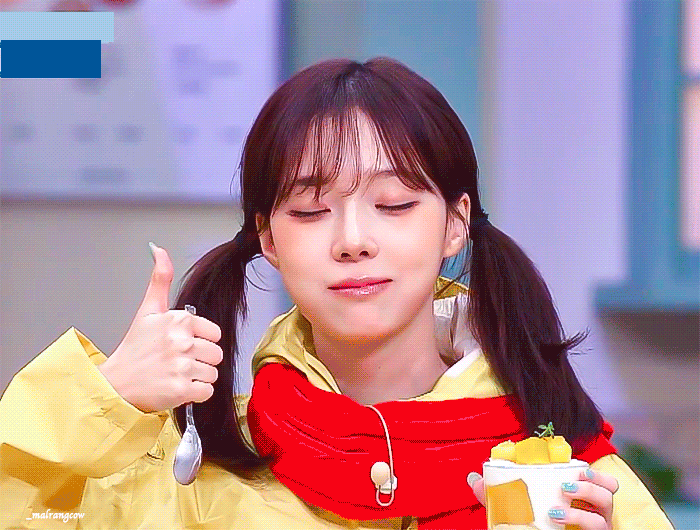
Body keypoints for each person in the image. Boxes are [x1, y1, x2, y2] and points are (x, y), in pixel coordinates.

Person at [0, 57, 675, 530]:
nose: (352, 240)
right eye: (310, 211)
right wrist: (103, 400)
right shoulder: (189, 468)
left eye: (394, 204)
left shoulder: (567, 476)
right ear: (268, 237)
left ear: (455, 224)